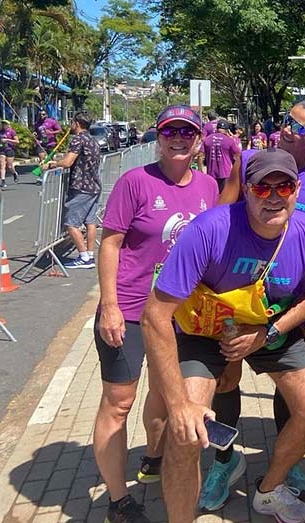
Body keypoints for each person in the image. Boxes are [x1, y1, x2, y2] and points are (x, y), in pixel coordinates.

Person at [141, 148, 305, 523]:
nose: (274, 197)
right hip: (205, 330)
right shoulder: (209, 229)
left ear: (297, 190)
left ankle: (269, 489)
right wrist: (179, 405)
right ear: (246, 190)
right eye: (263, 188)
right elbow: (154, 316)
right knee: (186, 433)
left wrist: (267, 332)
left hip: (270, 326)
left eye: (285, 187)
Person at [202, 97, 305, 511]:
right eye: (284, 120)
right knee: (225, 381)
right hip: (229, 299)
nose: (284, 129)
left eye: (296, 127)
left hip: (285, 302)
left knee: (295, 389)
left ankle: (288, 462)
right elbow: (219, 218)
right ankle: (225, 462)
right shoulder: (246, 161)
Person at [93, 104, 217, 523]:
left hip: (181, 314)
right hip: (129, 308)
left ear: (199, 140)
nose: (178, 139)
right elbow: (109, 244)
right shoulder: (135, 182)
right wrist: (109, 306)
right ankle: (117, 500)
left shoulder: (208, 187)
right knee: (119, 402)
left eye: (187, 132)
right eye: (170, 132)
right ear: (158, 138)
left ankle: (153, 455)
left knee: (167, 392)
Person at [46, 112, 101, 269]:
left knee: (71, 223)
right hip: (94, 185)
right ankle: (89, 254)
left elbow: (68, 162)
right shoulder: (93, 140)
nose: (70, 125)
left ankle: (84, 257)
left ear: (76, 123)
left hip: (81, 187)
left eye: (72, 122)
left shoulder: (78, 139)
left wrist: (51, 165)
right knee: (90, 222)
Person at [201, 119, 240, 192]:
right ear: (227, 130)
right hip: (225, 174)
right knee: (223, 197)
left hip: (211, 174)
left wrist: (201, 169)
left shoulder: (207, 139)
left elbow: (200, 155)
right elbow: (238, 155)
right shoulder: (229, 140)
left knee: (212, 195)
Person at [0, 120, 18, 185]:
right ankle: (3, 180)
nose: (3, 125)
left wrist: (7, 140)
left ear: (8, 125)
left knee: (9, 166)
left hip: (9, 149)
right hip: (2, 149)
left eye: (5, 124)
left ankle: (14, 173)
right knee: (2, 165)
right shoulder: (0, 132)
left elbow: (17, 141)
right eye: (2, 124)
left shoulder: (12, 131)